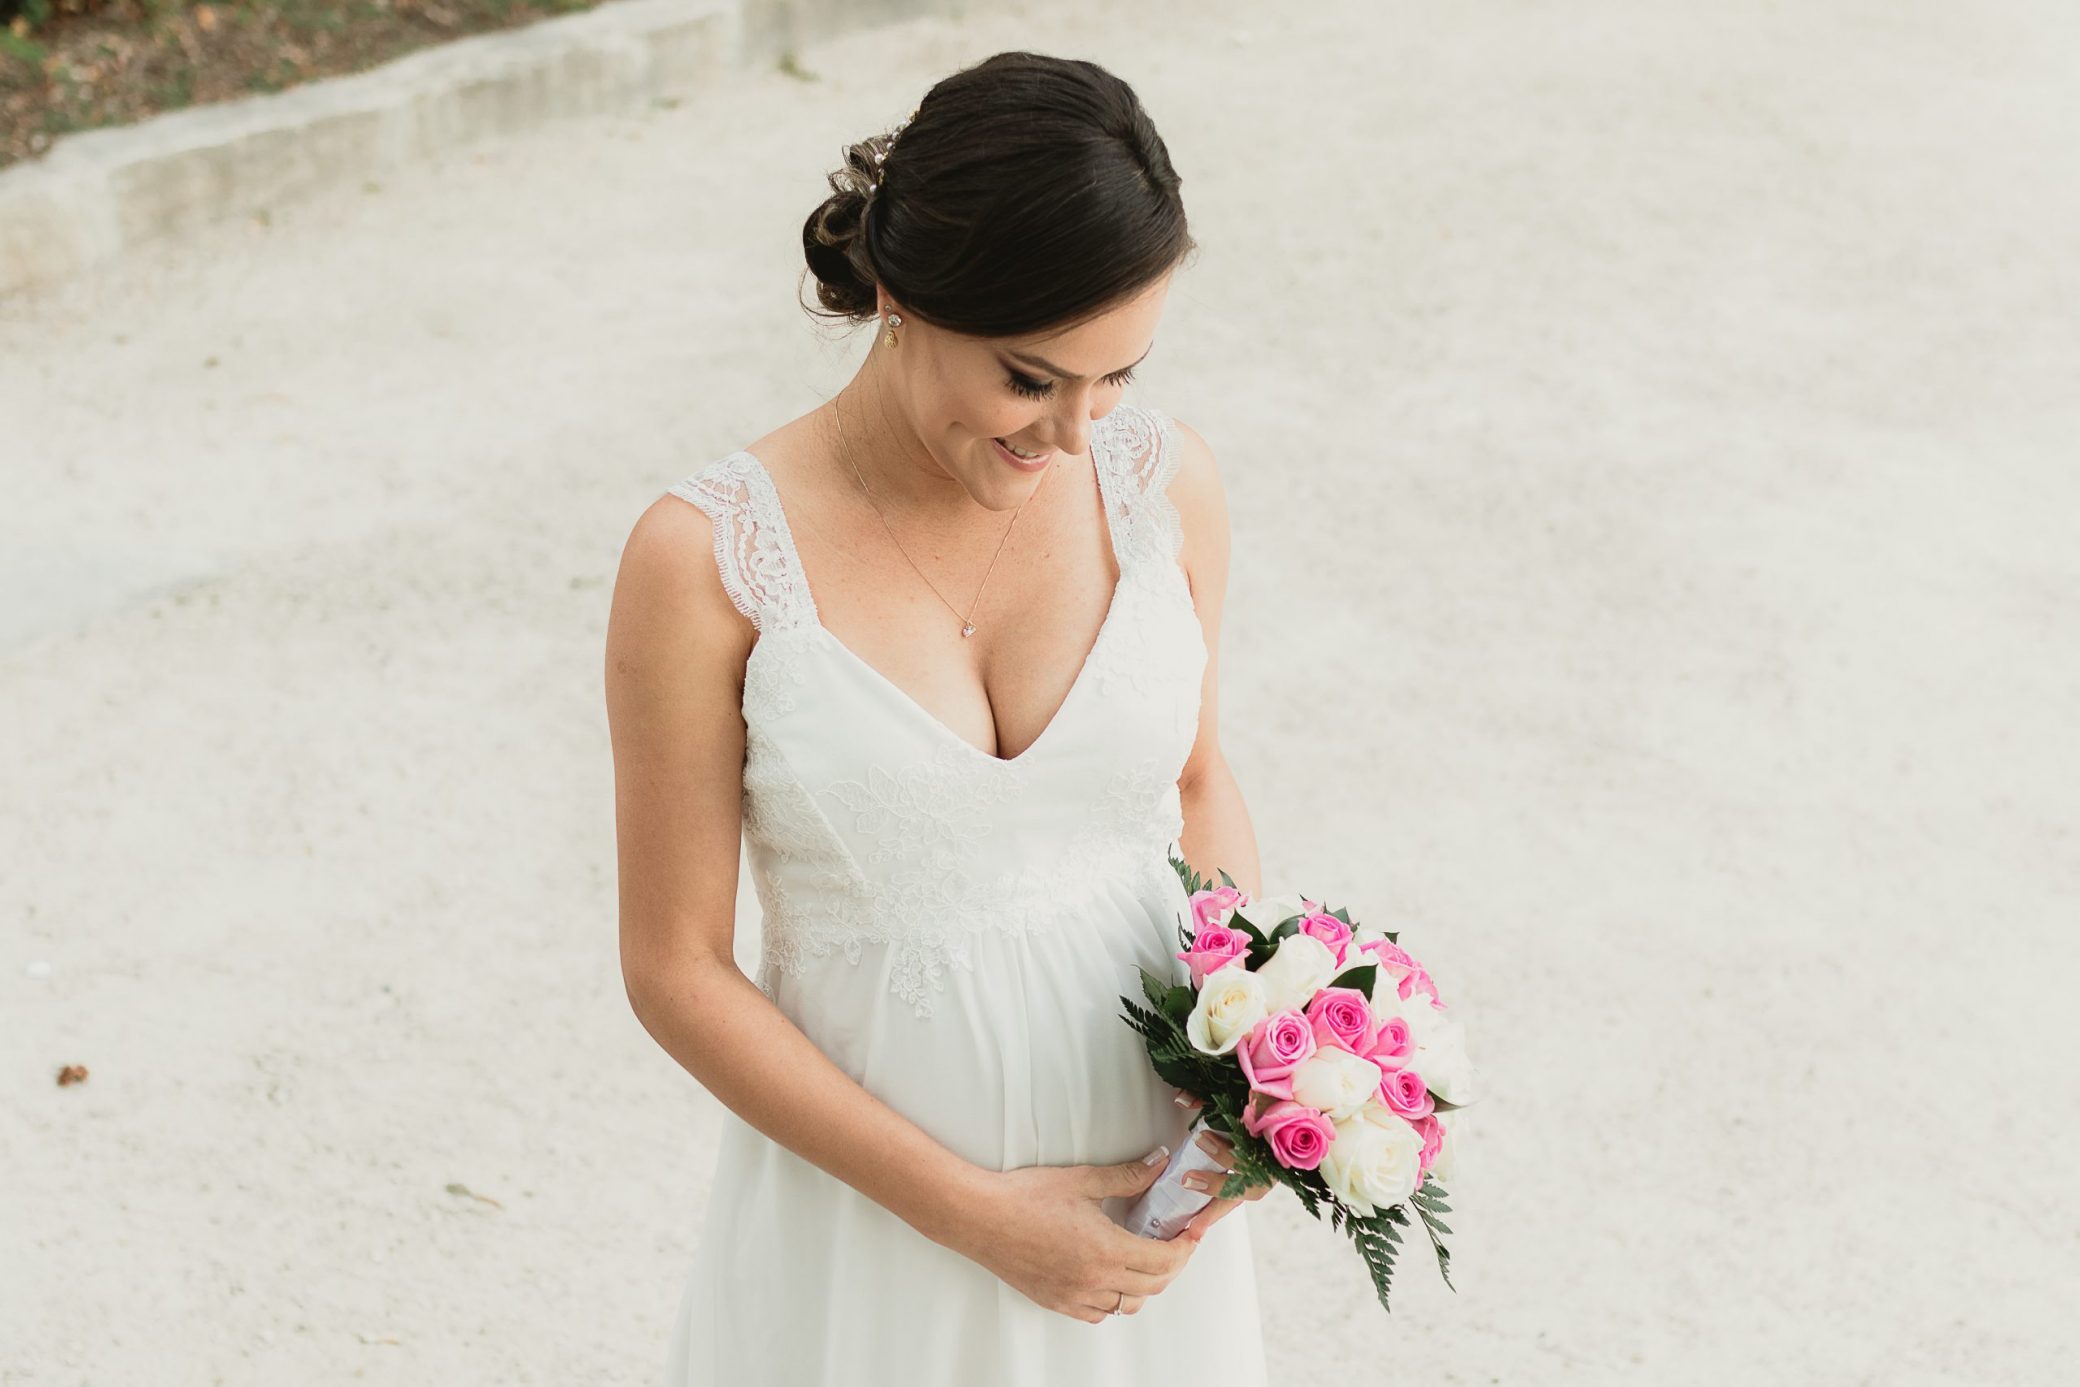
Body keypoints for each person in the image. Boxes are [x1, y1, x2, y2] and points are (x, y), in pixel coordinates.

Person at [605, 49, 1271, 1385]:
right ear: (902, 297)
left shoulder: (1163, 485)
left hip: (1141, 1197)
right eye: (1030, 379)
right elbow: (674, 967)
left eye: (1118, 376)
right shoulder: (706, 563)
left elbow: (1198, 785)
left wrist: (1249, 1055)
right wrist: (976, 1217)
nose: (1076, 436)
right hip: (882, 1210)